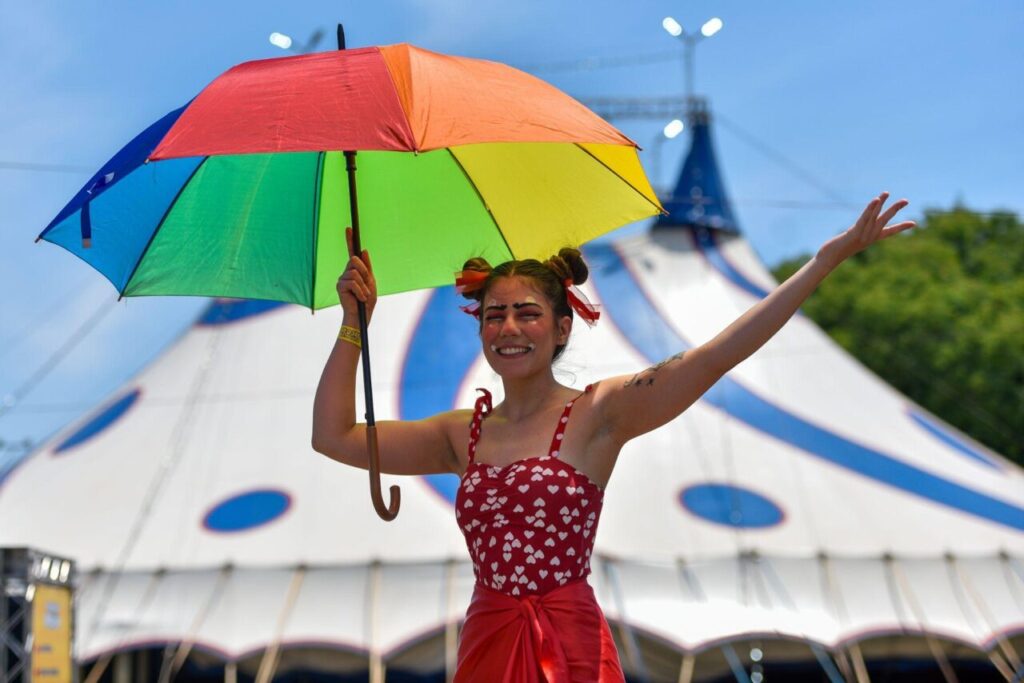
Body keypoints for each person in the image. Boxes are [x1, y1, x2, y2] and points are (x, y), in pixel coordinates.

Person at [312, 193, 914, 682]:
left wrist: (822, 263)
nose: (509, 327)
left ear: (561, 327)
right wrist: (351, 323)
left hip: (571, 644)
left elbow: (715, 356)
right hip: (488, 643)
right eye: (494, 315)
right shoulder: (459, 434)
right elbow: (334, 436)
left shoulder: (601, 412)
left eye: (527, 312)